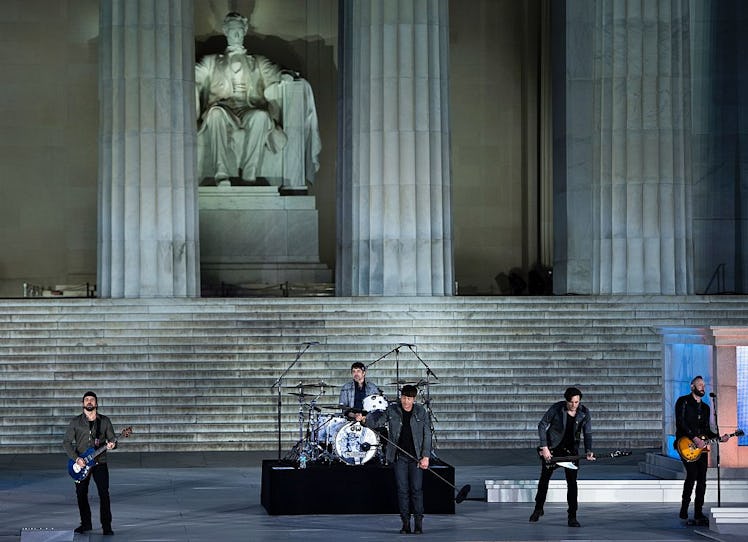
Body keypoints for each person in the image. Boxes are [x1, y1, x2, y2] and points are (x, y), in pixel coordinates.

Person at [355, 385, 432, 534]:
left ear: (414, 399)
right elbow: (376, 422)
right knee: (402, 491)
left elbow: (427, 434)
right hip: (399, 457)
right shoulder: (393, 409)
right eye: (403, 398)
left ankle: (418, 523)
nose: (405, 401)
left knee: (416, 490)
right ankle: (405, 524)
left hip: (416, 458)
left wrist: (426, 456)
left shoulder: (421, 412)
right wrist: (364, 419)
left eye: (409, 398)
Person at [529, 386, 594, 528]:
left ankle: (572, 516)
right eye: (571, 402)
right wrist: (544, 447)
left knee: (572, 483)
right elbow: (542, 425)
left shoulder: (584, 412)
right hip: (553, 449)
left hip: (572, 452)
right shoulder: (557, 408)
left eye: (577, 402)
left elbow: (587, 433)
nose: (574, 405)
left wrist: (589, 450)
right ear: (566, 401)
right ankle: (538, 509)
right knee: (544, 480)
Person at [675, 375, 728, 525]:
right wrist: (694, 438)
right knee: (692, 474)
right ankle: (684, 508)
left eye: (704, 385)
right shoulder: (683, 401)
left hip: (702, 448)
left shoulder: (705, 408)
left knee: (702, 479)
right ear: (692, 387)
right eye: (699, 385)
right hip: (685, 443)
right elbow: (681, 422)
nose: (702, 387)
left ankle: (698, 512)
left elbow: (706, 431)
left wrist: (719, 437)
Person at [62, 391, 117, 536]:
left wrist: (112, 445)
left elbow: (112, 439)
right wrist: (76, 458)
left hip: (100, 462)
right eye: (86, 399)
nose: (89, 401)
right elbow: (66, 443)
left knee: (104, 494)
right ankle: (85, 524)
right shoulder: (75, 422)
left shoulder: (104, 421)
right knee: (81, 494)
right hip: (81, 463)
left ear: (96, 403)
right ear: (83, 404)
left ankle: (107, 526)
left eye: (92, 399)